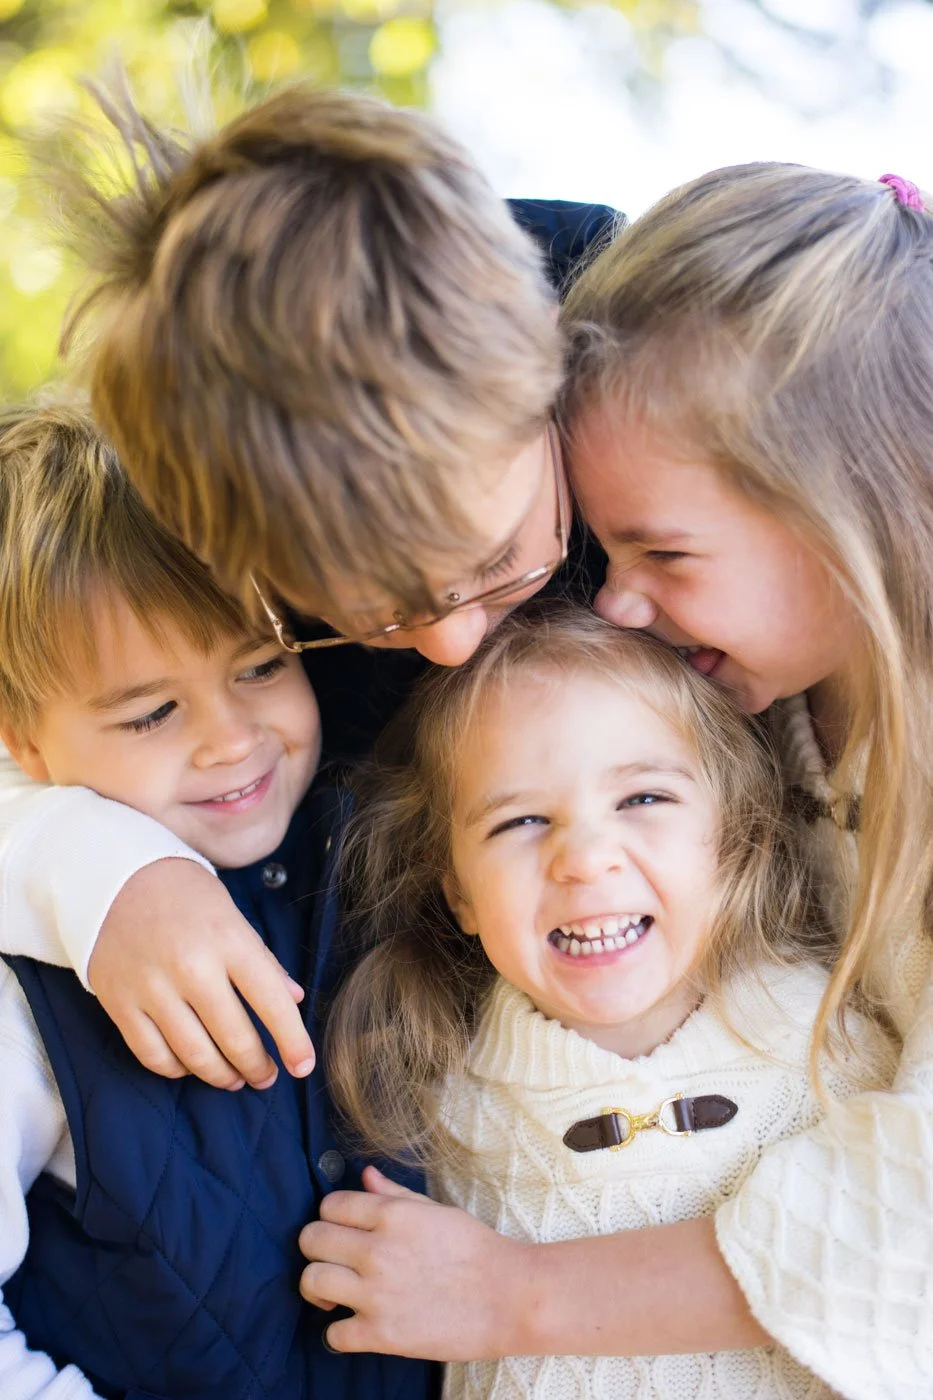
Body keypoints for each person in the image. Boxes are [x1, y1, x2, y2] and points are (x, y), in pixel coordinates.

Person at [297, 166, 933, 1400]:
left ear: (858, 505)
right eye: (607, 539)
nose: (616, 598)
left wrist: (519, 1296)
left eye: (664, 551)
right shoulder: (783, 690)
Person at [0, 80, 615, 1094]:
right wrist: (94, 867)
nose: (450, 642)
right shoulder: (195, 511)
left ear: (554, 368)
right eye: (364, 612)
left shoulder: (658, 360)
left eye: (502, 558)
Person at [320, 600, 891, 1399]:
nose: (584, 859)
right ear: (458, 896)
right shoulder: (439, 1114)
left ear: (729, 837)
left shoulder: (833, 1048)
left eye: (641, 800)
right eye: (520, 820)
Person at [0, 403, 435, 1400]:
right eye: (153, 711)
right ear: (22, 742)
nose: (233, 737)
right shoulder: (28, 988)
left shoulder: (382, 847)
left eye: (262, 665)